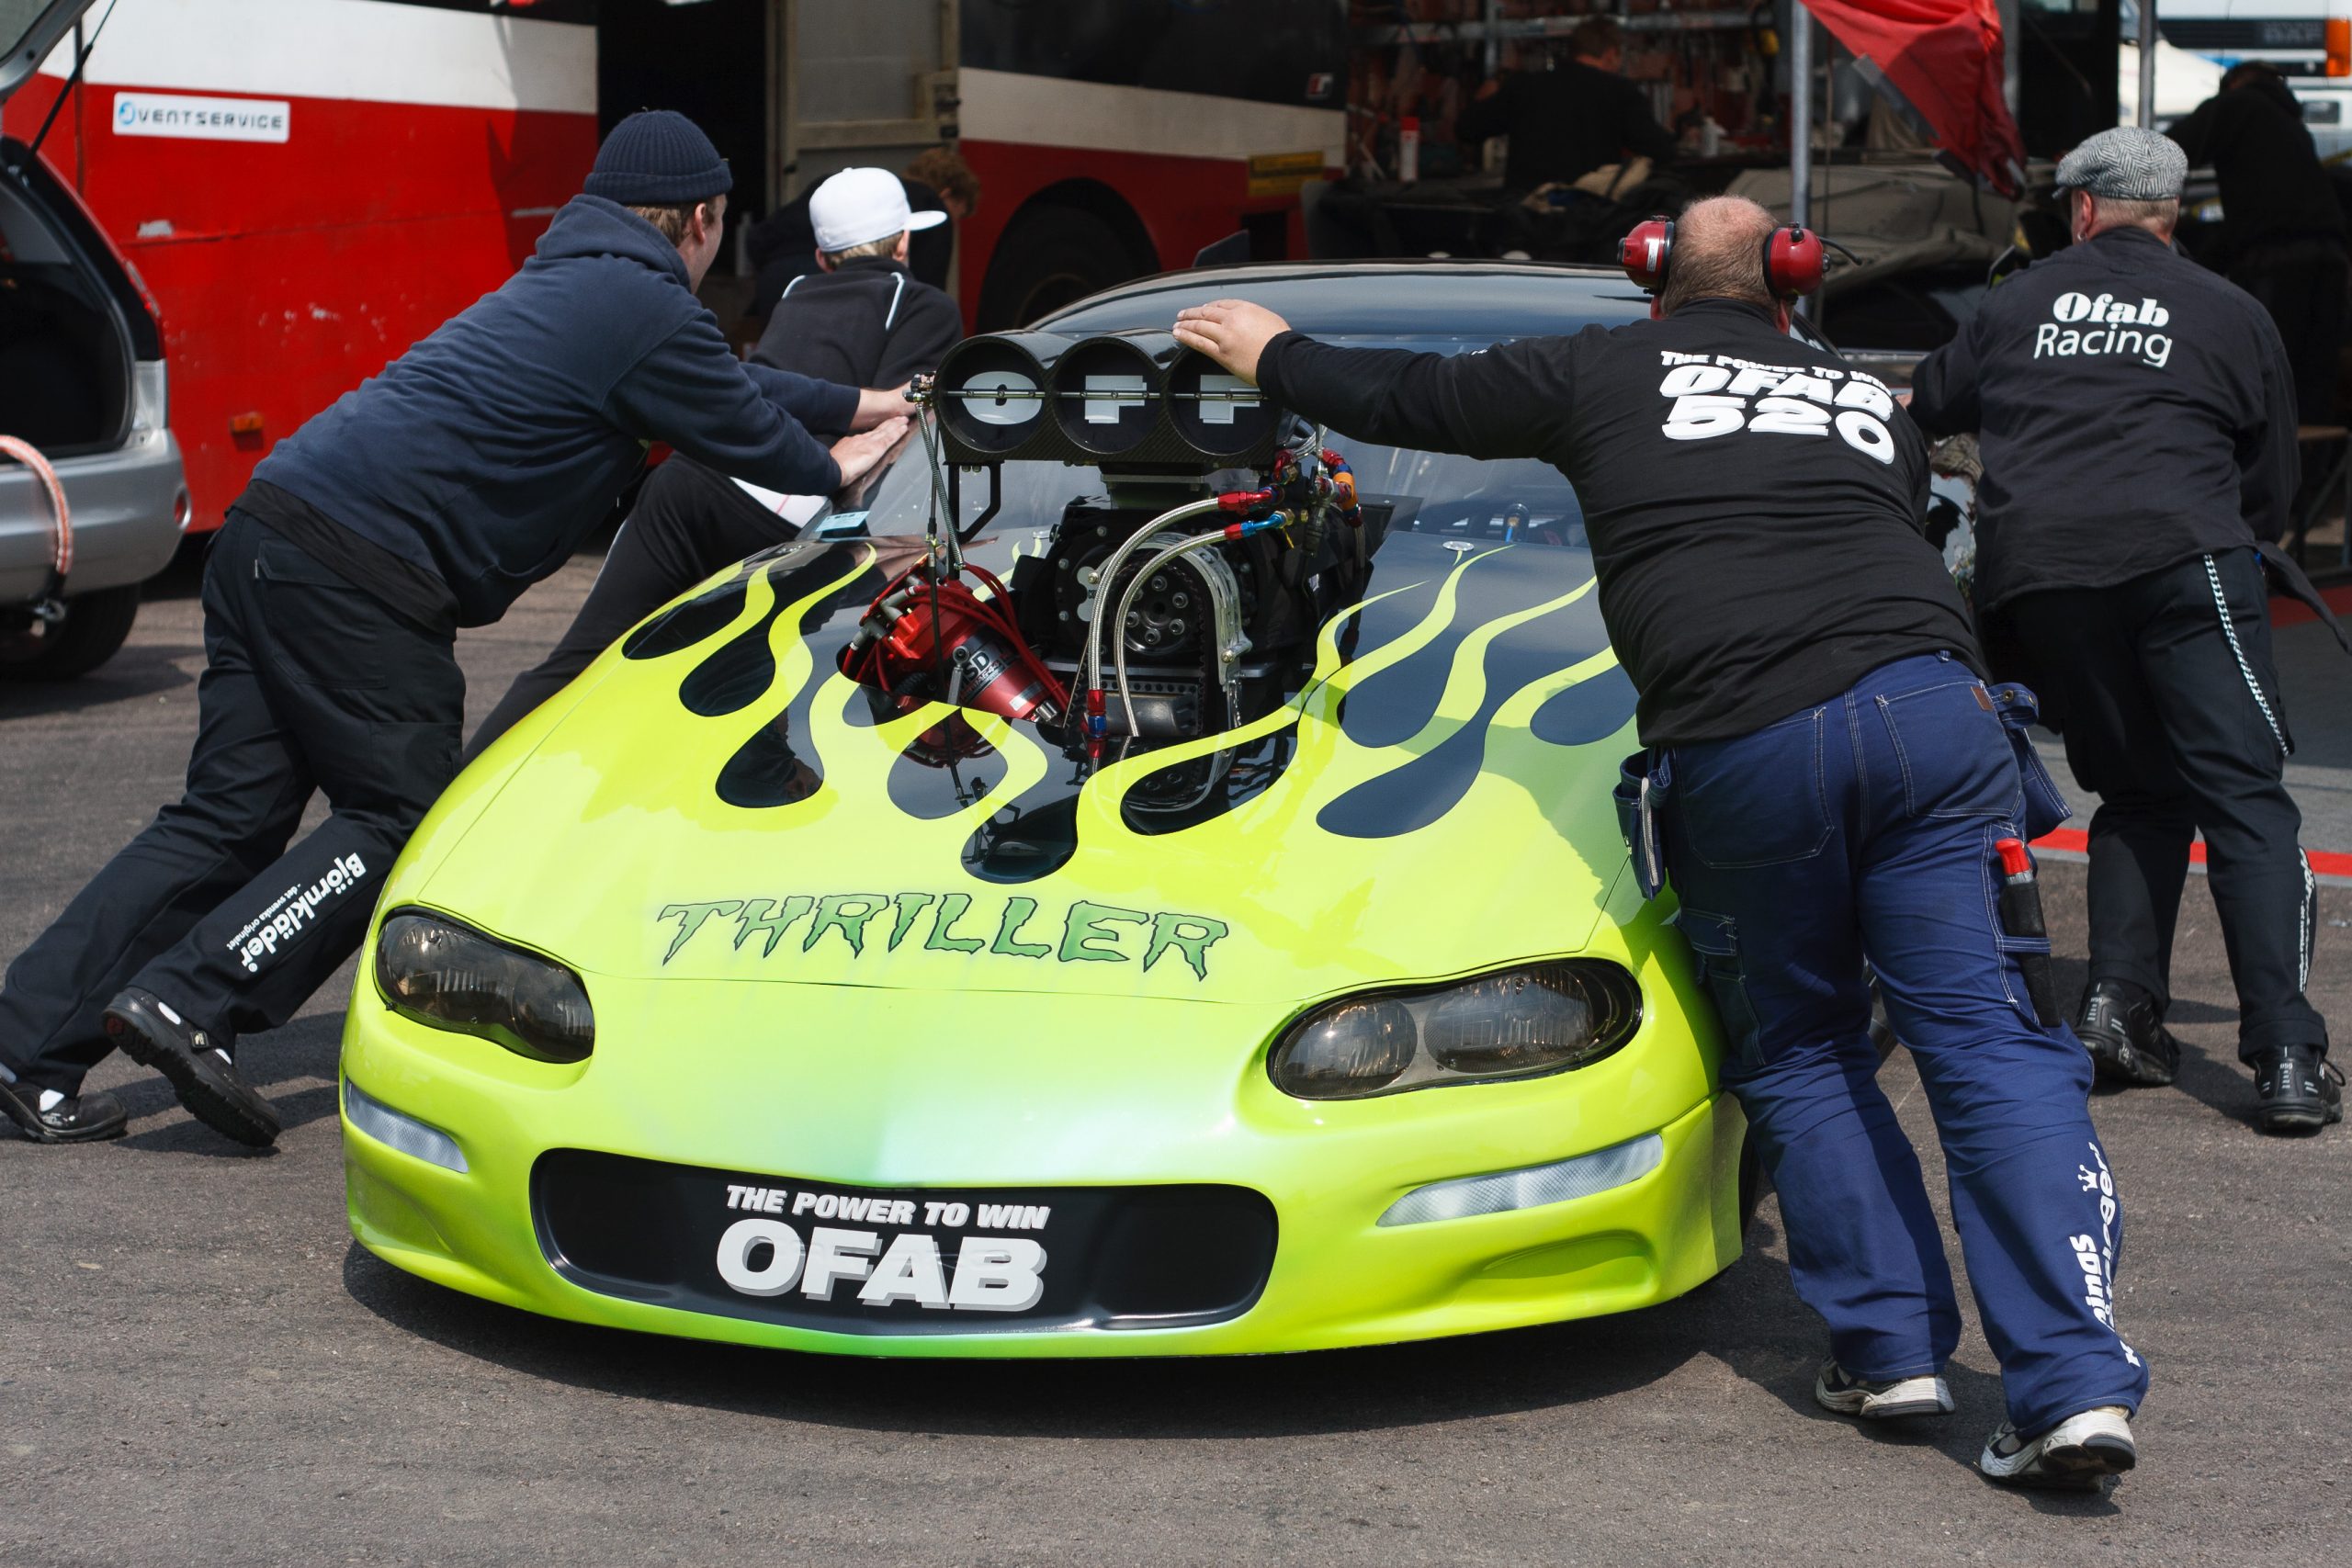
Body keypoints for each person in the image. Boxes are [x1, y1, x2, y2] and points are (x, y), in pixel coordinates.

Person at [1173, 196, 2150, 1489]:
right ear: (1788, 285)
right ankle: (2074, 1384)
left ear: (1651, 279)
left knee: (1801, 1047)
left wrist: (1274, 352)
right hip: (1935, 717)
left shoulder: (1601, 364)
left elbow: (1415, 401)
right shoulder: (1859, 396)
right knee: (1985, 1043)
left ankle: (1892, 1350)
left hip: (1747, 736)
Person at [0, 111, 910, 1148]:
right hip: (362, 575)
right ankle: (196, 996)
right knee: (404, 819)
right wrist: (842, 460)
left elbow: (743, 384)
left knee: (225, 819)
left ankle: (26, 1045)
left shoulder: (576, 278)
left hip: (269, 529)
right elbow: (754, 429)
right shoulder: (641, 303)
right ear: (701, 221)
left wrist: (870, 401)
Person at [1910, 128, 2339, 1134]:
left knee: (2138, 793)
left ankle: (2116, 1009)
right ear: (2172, 212)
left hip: (2043, 576)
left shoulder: (2016, 300)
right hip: (2185, 557)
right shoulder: (2230, 309)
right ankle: (2282, 1052)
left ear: (2081, 209)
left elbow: (1930, 403)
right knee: (2244, 802)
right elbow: (2271, 479)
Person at [466, 165, 964, 760]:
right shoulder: (927, 305)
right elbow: (896, 436)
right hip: (777, 514)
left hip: (683, 484)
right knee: (764, 689)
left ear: (824, 256)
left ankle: (461, 789)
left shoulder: (795, 290)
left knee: (582, 658)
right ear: (904, 242)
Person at [2168, 62, 2347, 424]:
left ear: (2233, 83)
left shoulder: (2240, 104)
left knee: (2270, 375)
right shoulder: (2293, 127)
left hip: (2280, 266)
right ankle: (2313, 477)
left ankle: (2273, 475)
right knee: (2311, 387)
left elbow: (2165, 153)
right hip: (2330, 264)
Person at [747, 149, 978, 320]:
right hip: (836, 294)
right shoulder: (932, 204)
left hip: (776, 284)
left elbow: (760, 238)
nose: (955, 222)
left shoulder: (843, 189)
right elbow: (930, 289)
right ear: (947, 194)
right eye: (959, 212)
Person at [1456, 17, 1676, 196]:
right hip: (1591, 217)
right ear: (1611, 55)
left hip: (1527, 217)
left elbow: (1467, 129)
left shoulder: (1525, 86)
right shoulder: (1619, 92)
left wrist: (1481, 99)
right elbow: (1661, 150)